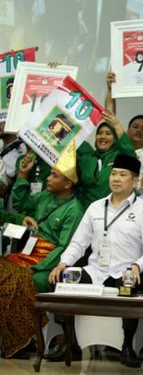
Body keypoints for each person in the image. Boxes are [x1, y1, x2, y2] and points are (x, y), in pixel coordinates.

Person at [49, 154, 143, 368]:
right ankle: (69, 340)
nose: (116, 178)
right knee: (63, 282)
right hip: (96, 270)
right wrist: (63, 263)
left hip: (125, 271)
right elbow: (78, 243)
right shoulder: (96, 207)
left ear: (134, 181)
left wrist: (137, 265)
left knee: (130, 285)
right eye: (114, 173)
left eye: (123, 175)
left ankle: (127, 346)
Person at [0, 144, 83, 357]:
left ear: (68, 183)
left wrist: (37, 267)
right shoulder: (46, 197)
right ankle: (12, 336)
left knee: (25, 280)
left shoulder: (74, 210)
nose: (48, 178)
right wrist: (22, 176)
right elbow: (20, 203)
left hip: (50, 261)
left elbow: (65, 247)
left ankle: (21, 338)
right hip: (28, 253)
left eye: (54, 176)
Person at [75, 111, 137, 209]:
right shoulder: (87, 158)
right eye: (100, 133)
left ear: (115, 138)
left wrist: (116, 124)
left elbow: (130, 154)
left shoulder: (120, 157)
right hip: (87, 211)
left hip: (113, 209)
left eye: (108, 133)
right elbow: (73, 139)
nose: (103, 137)